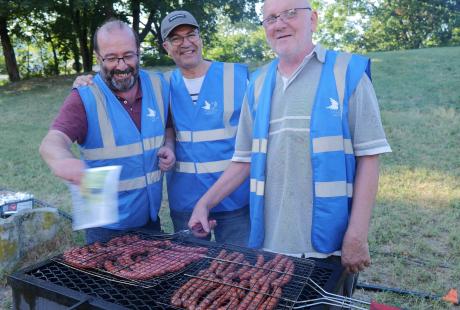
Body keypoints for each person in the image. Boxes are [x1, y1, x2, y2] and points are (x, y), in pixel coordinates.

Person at [188, 0, 392, 299]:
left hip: (329, 247)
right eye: (270, 18)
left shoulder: (348, 73)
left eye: (290, 13)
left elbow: (369, 158)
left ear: (313, 19)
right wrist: (204, 204)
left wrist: (357, 235)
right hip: (269, 248)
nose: (279, 23)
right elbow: (243, 160)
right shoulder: (257, 85)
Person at [39, 20, 175, 244]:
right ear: (97, 57)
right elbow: (51, 143)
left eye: (128, 55)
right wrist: (64, 162)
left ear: (138, 52)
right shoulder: (85, 96)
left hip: (150, 221)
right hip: (104, 230)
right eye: (111, 58)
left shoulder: (158, 85)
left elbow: (168, 124)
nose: (121, 66)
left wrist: (169, 145)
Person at [160, 10, 250, 246]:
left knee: (238, 274)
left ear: (200, 38)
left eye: (191, 34)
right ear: (166, 47)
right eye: (176, 38)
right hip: (185, 203)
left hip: (234, 201)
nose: (186, 43)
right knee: (191, 276)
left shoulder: (239, 76)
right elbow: (167, 125)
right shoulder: (161, 86)